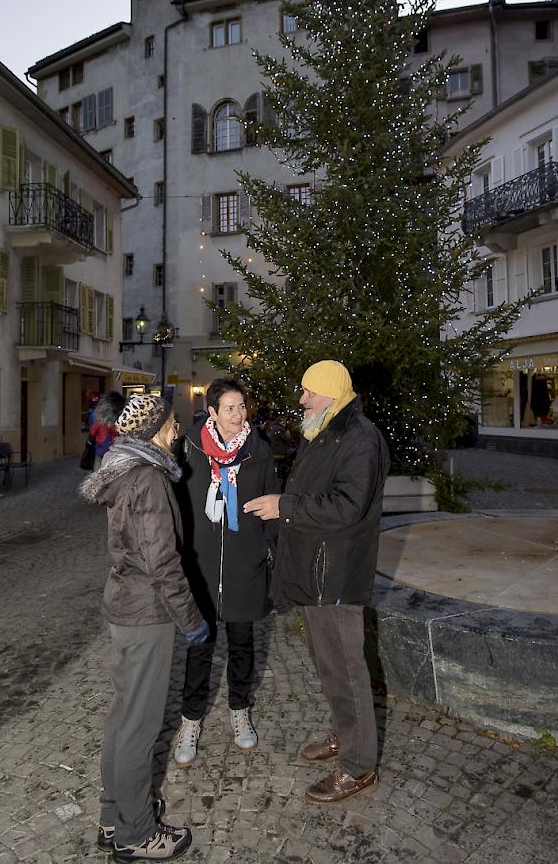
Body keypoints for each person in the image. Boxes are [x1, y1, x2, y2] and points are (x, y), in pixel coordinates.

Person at [244, 360, 389, 804]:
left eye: (307, 391)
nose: (301, 399)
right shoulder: (325, 427)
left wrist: (284, 506)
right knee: (329, 666)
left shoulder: (359, 438)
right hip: (315, 569)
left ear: (328, 393)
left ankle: (359, 766)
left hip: (336, 574)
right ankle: (347, 737)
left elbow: (346, 506)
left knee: (346, 667)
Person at [80, 394, 209, 862]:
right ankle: (136, 833)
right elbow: (163, 563)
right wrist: (191, 620)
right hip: (147, 615)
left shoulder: (123, 470)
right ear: (155, 428)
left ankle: (113, 818)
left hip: (124, 609)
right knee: (140, 727)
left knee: (123, 719)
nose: (177, 431)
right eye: (173, 424)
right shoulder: (149, 478)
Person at [173, 378, 278, 765]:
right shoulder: (192, 449)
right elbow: (179, 506)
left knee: (242, 645)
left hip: (244, 564)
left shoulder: (258, 451)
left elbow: (272, 506)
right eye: (229, 408)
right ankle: (191, 720)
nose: (239, 415)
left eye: (242, 407)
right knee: (199, 647)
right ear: (212, 412)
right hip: (200, 568)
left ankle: (240, 711)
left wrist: (270, 551)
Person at [89, 391, 125, 471]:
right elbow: (118, 432)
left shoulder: (98, 420)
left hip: (101, 445)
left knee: (98, 468)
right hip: (112, 446)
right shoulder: (117, 419)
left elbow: (92, 432)